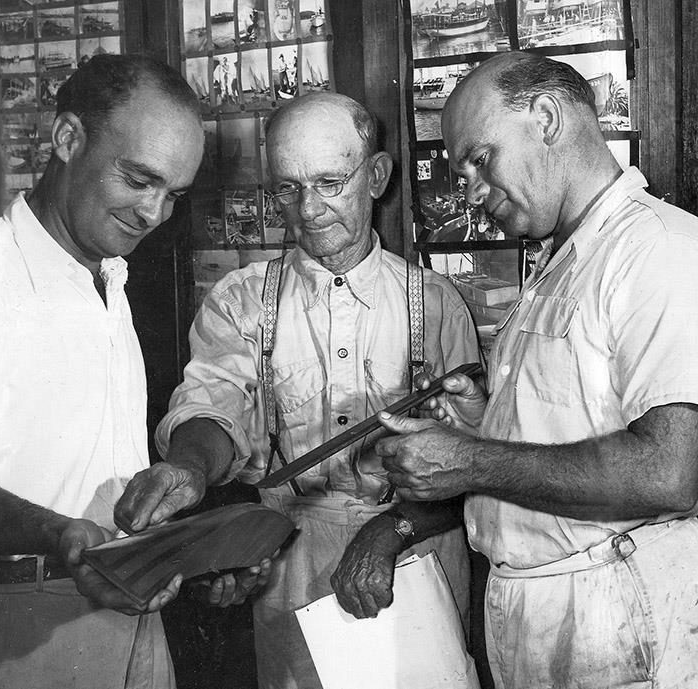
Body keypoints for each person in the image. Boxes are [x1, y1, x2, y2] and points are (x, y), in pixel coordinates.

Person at [115, 92, 482, 689]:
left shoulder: (436, 304)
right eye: (288, 188)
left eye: (331, 182)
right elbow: (214, 402)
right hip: (289, 559)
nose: (309, 209)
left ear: (378, 177)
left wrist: (394, 529)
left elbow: (475, 462)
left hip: (416, 553)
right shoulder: (241, 300)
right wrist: (188, 465)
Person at [371, 51, 698, 688]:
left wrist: (469, 461)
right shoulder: (569, 257)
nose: (469, 190)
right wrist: (489, 416)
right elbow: (579, 416)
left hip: (611, 611)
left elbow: (671, 470)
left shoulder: (657, 249)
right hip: (544, 608)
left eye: (480, 159)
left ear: (546, 117)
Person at [0, 53, 257, 689]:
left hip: (133, 615)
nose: (155, 214)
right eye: (138, 179)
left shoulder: (113, 275)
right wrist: (56, 534)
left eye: (174, 194)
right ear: (68, 138)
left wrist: (186, 549)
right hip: (11, 628)